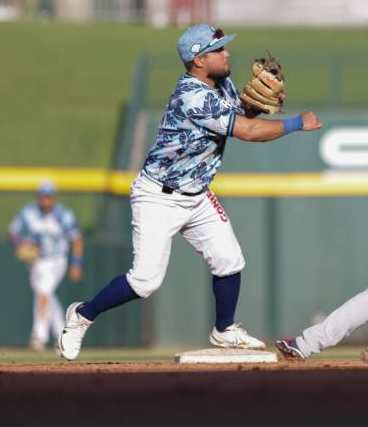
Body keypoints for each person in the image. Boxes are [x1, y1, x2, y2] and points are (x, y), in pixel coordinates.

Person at [58, 23, 322, 360]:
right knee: (144, 282)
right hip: (158, 196)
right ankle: (81, 316)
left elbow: (240, 115)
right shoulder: (192, 96)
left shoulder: (220, 84)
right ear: (198, 60)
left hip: (196, 194)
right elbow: (247, 132)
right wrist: (297, 123)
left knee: (229, 261)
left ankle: (224, 331)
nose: (226, 53)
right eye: (218, 50)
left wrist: (257, 105)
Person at [8, 180, 84, 352]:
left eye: (49, 196)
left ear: (54, 197)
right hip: (37, 262)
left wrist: (76, 263)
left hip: (57, 261)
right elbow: (13, 232)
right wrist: (20, 245)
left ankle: (39, 336)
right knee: (47, 296)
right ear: (38, 196)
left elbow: (77, 239)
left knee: (43, 293)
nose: (46, 200)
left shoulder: (63, 215)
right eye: (43, 196)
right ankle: (63, 334)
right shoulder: (29, 213)